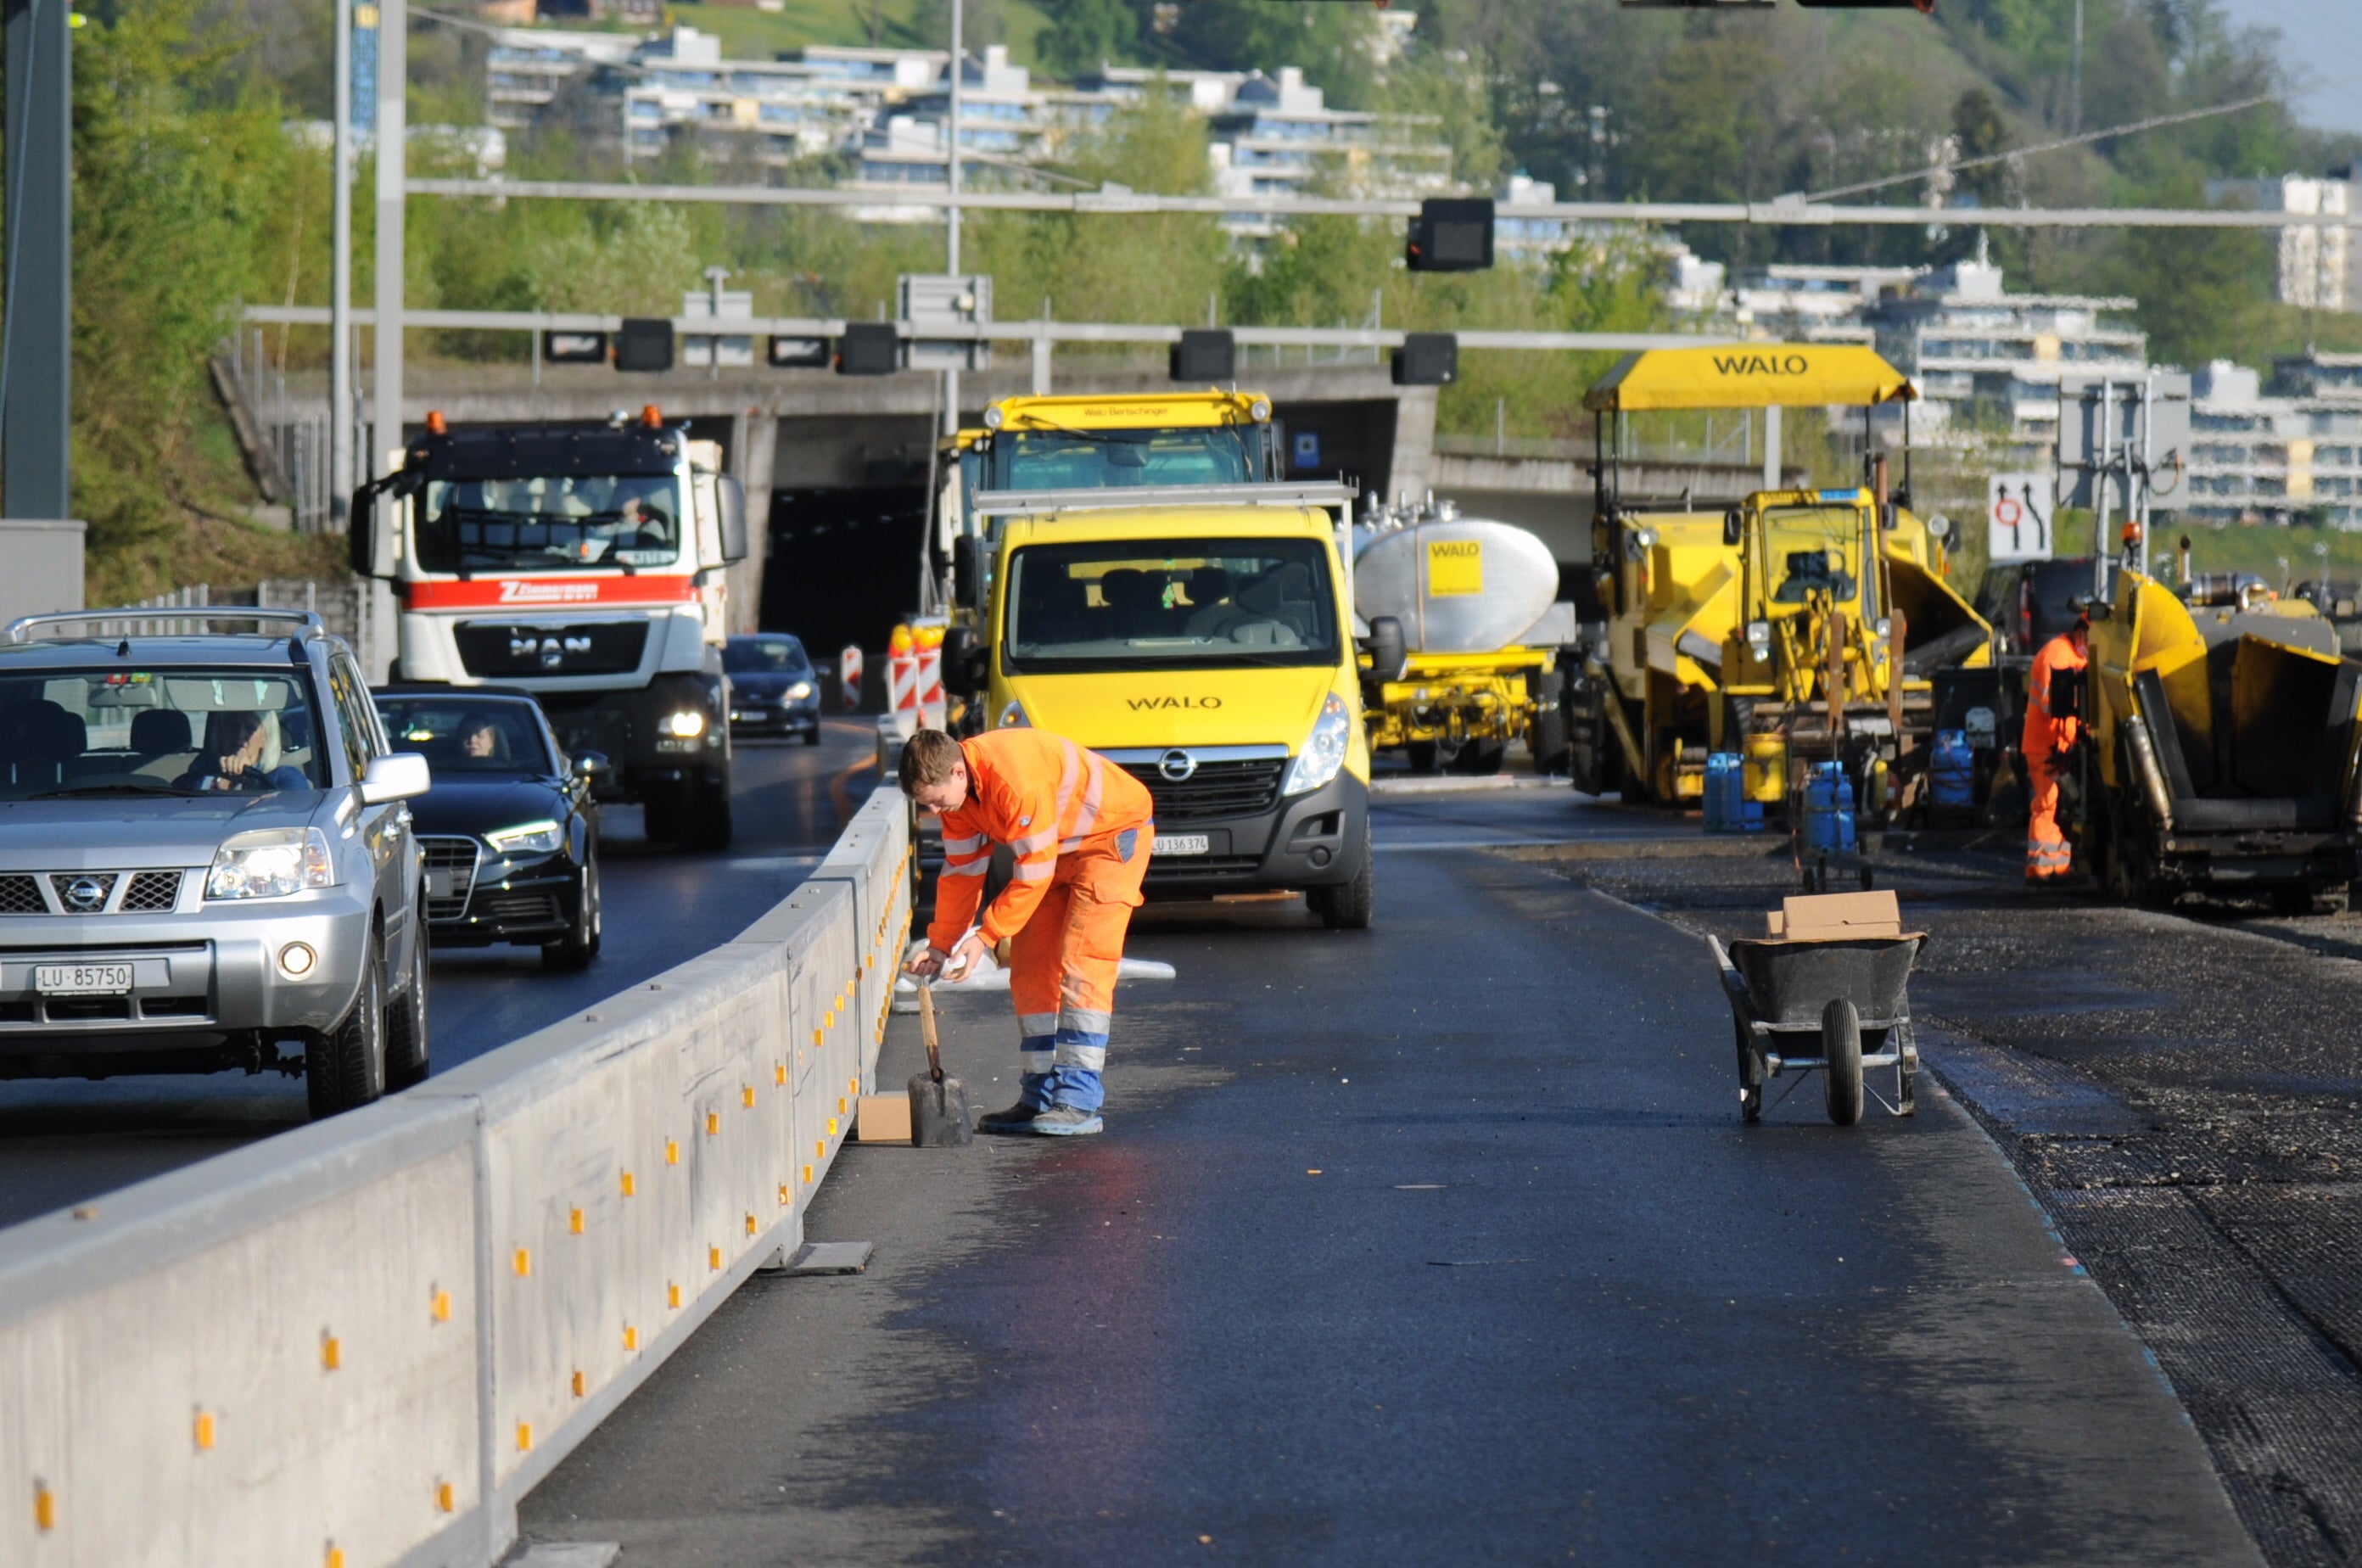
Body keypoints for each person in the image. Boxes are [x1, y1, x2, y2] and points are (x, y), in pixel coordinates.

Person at [899, 726, 1154, 1137]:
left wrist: (984, 936)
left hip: (1109, 841)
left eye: (936, 800)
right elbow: (962, 874)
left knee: (1082, 964)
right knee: (1031, 969)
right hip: (1053, 854)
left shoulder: (1013, 776)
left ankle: (1078, 1100)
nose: (935, 812)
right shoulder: (959, 801)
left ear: (957, 773)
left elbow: (1034, 871)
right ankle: (1038, 1095)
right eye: (925, 805)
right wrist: (942, 946)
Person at [2022, 606, 2091, 882]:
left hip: (2056, 745)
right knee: (2046, 806)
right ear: (2080, 632)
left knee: (2059, 809)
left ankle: (2057, 868)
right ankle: (2041, 869)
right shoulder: (2059, 655)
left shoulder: (2072, 655)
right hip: (2046, 746)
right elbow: (2056, 706)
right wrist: (2065, 744)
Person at [179, 711, 309, 792]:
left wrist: (250, 779)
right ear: (221, 733)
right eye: (232, 725)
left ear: (265, 739)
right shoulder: (202, 771)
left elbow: (296, 813)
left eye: (250, 728)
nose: (240, 734)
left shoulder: (285, 777)